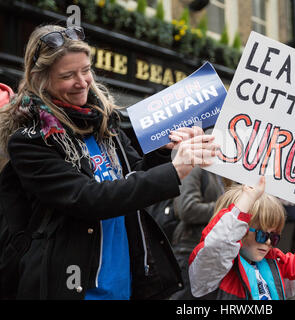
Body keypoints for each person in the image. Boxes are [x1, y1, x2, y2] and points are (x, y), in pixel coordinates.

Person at [0, 24, 218, 300]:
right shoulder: (30, 141)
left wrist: (164, 151)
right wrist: (175, 170)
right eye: (68, 75)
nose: (82, 82)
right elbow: (87, 198)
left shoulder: (103, 123)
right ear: (40, 79)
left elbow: (134, 177)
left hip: (123, 284)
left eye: (86, 70)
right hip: (71, 289)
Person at [188, 176, 295, 300]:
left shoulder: (274, 263)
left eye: (274, 237)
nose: (268, 242)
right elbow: (218, 245)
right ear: (240, 229)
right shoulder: (214, 270)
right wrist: (246, 201)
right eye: (262, 234)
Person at [169, 167, 225, 299]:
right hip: (190, 249)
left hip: (207, 252)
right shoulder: (196, 168)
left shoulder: (216, 173)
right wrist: (225, 208)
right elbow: (187, 209)